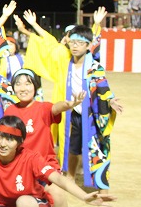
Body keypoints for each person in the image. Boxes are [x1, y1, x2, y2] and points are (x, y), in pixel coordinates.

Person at [21, 10, 122, 192]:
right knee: (72, 146)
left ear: (86, 45)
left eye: (78, 42)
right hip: (72, 111)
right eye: (72, 40)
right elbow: (49, 42)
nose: (74, 45)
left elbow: (102, 83)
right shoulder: (64, 58)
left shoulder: (93, 65)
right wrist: (34, 25)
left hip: (91, 112)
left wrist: (110, 100)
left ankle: (102, 188)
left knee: (97, 147)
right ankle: (70, 177)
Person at [4, 68, 85, 207]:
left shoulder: (43, 108)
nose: (23, 88)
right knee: (9, 197)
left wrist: (69, 104)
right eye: (18, 84)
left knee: (58, 193)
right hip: (20, 167)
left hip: (44, 165)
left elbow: (56, 108)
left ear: (35, 87)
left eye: (27, 83)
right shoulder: (10, 110)